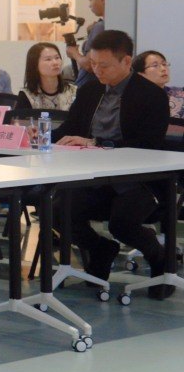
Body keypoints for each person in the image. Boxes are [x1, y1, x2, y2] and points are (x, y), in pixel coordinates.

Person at [54, 30, 172, 298]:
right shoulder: (90, 90)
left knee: (122, 223)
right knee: (59, 210)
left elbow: (147, 145)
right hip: (95, 176)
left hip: (138, 181)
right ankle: (100, 249)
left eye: (104, 65)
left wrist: (96, 142)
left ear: (126, 61)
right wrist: (37, 138)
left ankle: (160, 258)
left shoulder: (151, 96)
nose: (97, 70)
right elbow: (70, 128)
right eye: (93, 64)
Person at [66, 0, 106, 87]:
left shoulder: (100, 27)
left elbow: (90, 65)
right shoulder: (103, 26)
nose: (89, 5)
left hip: (89, 87)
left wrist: (73, 53)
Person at [15, 43, 77, 111]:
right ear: (35, 65)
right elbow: (19, 117)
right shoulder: (27, 95)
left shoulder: (74, 92)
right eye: (48, 59)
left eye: (57, 58)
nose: (55, 63)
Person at [133, 50, 184, 118]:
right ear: (140, 74)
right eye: (155, 65)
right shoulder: (132, 99)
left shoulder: (179, 94)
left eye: (164, 64)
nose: (163, 69)